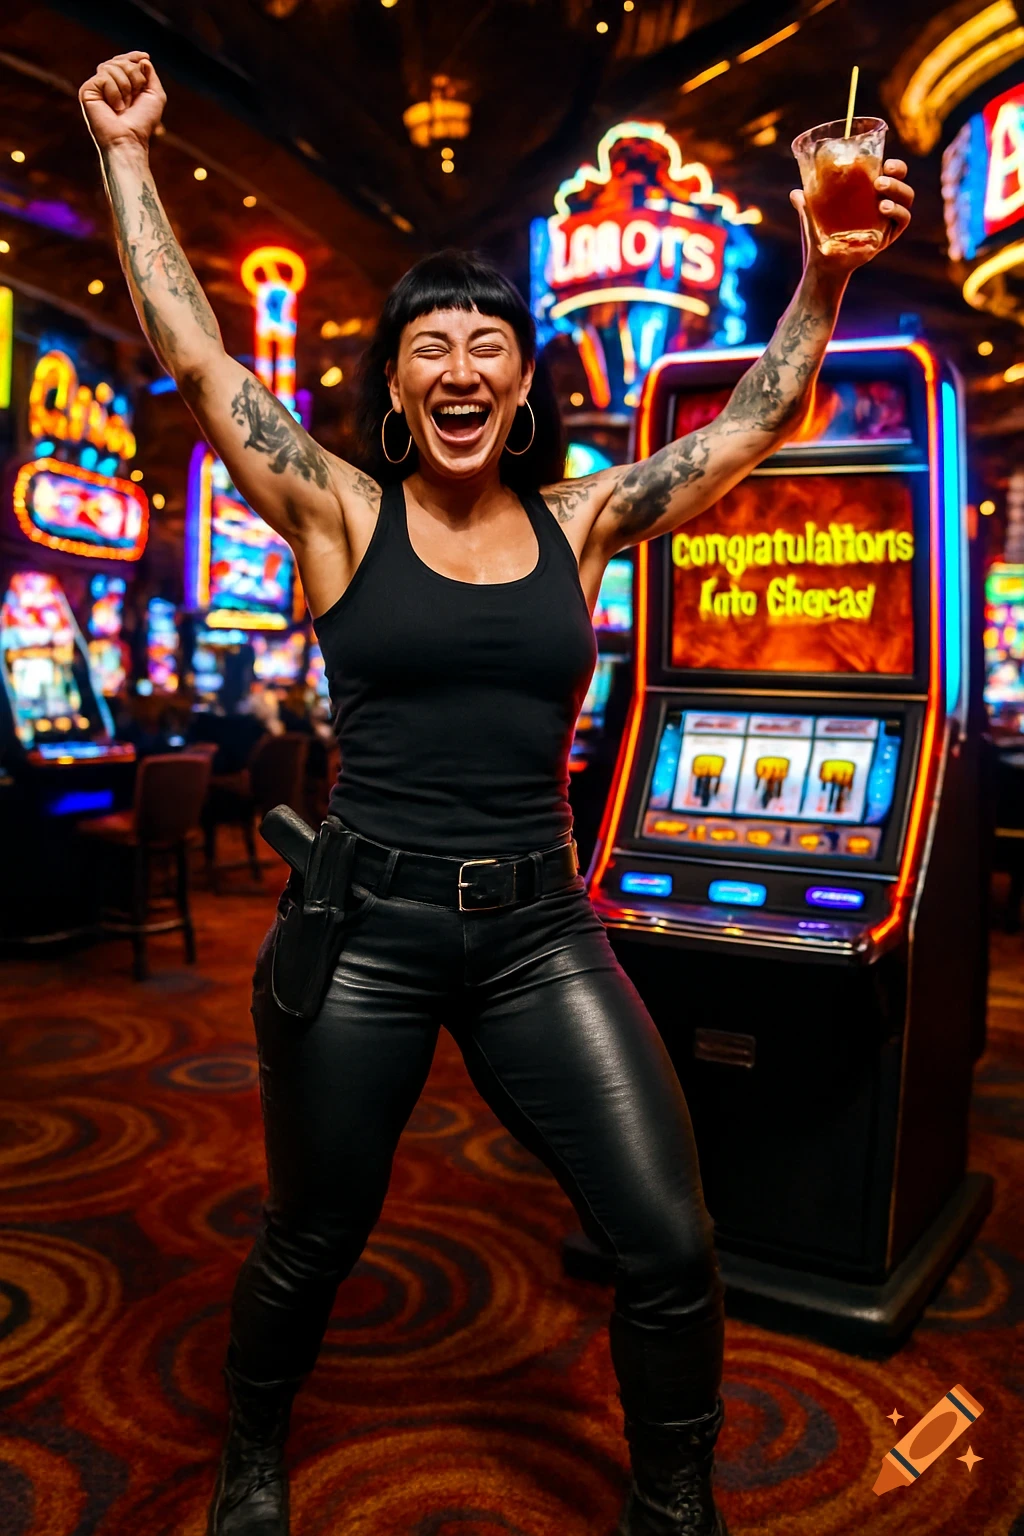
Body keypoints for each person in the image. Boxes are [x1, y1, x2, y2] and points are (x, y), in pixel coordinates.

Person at [80, 51, 914, 1536]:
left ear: (521, 383)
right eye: (432, 349)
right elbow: (197, 353)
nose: (462, 370)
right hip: (366, 934)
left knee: (668, 1238)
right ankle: (252, 1451)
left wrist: (825, 274)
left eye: (489, 348)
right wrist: (128, 152)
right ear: (400, 384)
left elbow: (757, 426)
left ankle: (676, 1506)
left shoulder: (587, 520)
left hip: (541, 933)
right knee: (315, 1236)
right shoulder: (335, 508)